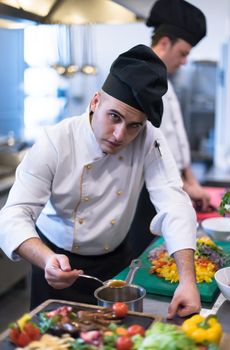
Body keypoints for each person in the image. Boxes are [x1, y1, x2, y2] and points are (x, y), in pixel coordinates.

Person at [0, 44, 200, 319]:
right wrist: (46, 259)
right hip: (56, 264)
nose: (120, 135)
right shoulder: (56, 141)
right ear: (95, 102)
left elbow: (175, 203)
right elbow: (12, 214)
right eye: (114, 117)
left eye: (134, 125)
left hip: (116, 266)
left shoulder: (148, 139)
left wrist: (187, 281)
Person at [146, 0, 211, 212]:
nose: (184, 62)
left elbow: (177, 139)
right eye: (183, 53)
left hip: (174, 186)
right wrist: (185, 188)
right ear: (164, 43)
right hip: (151, 195)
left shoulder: (165, 79)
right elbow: (152, 152)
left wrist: (191, 180)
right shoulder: (144, 81)